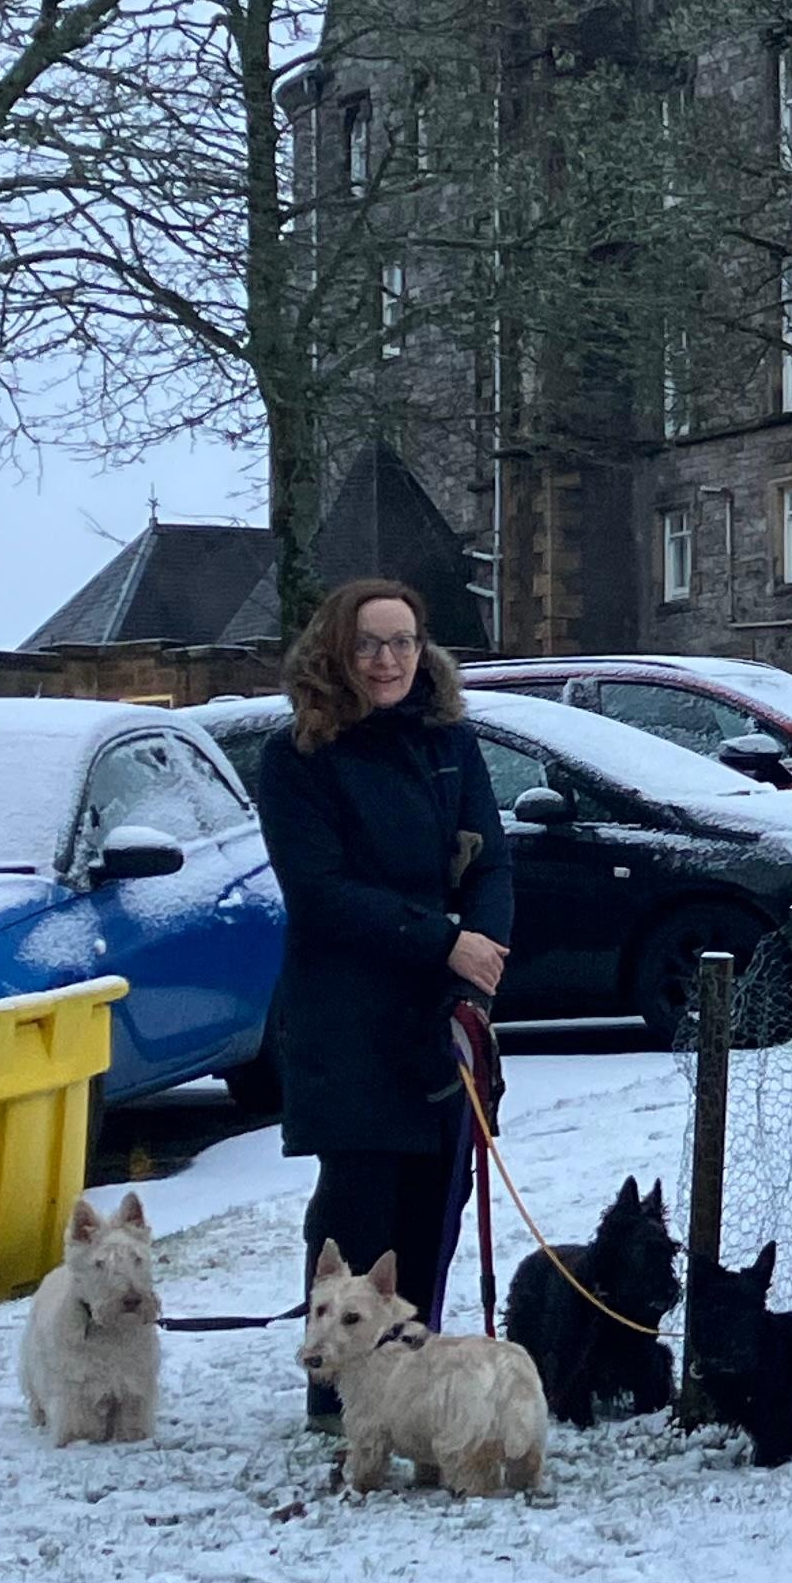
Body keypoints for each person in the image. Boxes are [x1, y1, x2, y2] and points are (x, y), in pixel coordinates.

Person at [252, 577, 514, 1419]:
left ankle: (415, 1381)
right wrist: (443, 939)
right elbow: (320, 891)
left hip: (440, 1015)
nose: (388, 660)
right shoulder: (299, 757)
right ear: (338, 651)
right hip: (349, 1016)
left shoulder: (450, 743)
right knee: (362, 1208)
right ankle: (340, 1394)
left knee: (436, 1200)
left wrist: (481, 950)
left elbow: (492, 862)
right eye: (370, 644)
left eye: (403, 642)